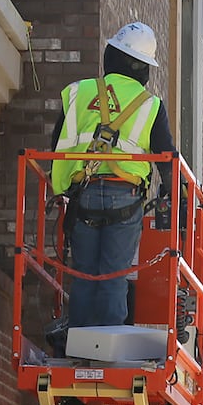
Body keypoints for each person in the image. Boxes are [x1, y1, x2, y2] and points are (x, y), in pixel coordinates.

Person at [49, 21, 177, 341]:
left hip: (84, 194)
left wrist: (62, 188)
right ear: (144, 67)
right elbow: (167, 159)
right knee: (114, 275)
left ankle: (79, 342)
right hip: (125, 197)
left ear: (113, 55)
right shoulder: (150, 106)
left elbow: (56, 146)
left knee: (83, 274)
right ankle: (106, 347)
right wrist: (179, 199)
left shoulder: (79, 91)